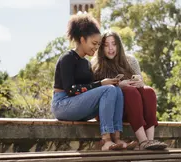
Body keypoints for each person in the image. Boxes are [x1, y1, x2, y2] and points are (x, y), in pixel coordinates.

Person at [51, 14, 126, 151]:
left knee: (116, 90)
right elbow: (70, 90)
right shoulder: (67, 58)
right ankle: (106, 140)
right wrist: (101, 84)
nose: (96, 47)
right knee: (109, 89)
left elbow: (91, 91)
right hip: (62, 104)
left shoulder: (86, 63)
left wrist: (109, 83)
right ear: (82, 40)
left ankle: (117, 138)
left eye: (98, 44)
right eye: (94, 43)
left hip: (79, 106)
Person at [91, 31, 168, 150]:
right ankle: (143, 142)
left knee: (148, 91)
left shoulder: (130, 61)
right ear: (101, 47)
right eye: (106, 45)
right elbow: (97, 92)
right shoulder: (96, 64)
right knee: (129, 91)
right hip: (111, 112)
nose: (110, 48)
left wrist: (140, 83)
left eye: (114, 44)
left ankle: (151, 140)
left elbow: (140, 82)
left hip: (133, 108)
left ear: (119, 45)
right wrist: (119, 86)